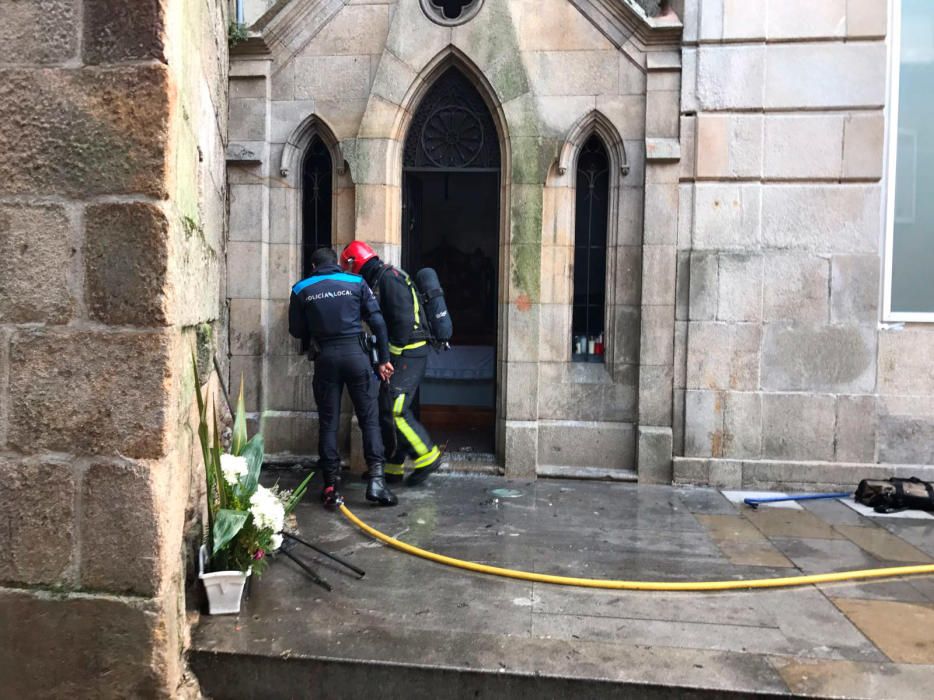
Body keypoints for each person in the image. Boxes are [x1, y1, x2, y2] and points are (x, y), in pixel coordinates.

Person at [288, 246, 398, 508]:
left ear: (313, 266)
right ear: (337, 262)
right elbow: (378, 322)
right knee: (369, 419)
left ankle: (330, 485)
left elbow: (296, 330)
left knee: (329, 422)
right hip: (356, 356)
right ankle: (377, 482)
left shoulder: (301, 288)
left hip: (325, 358)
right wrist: (383, 359)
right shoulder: (357, 281)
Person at [339, 241, 442, 486]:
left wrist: (388, 358)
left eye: (348, 266)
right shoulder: (381, 278)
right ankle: (393, 466)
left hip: (409, 353)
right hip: (403, 353)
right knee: (386, 409)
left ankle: (427, 456)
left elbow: (403, 323)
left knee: (396, 410)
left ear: (355, 263)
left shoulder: (388, 279)